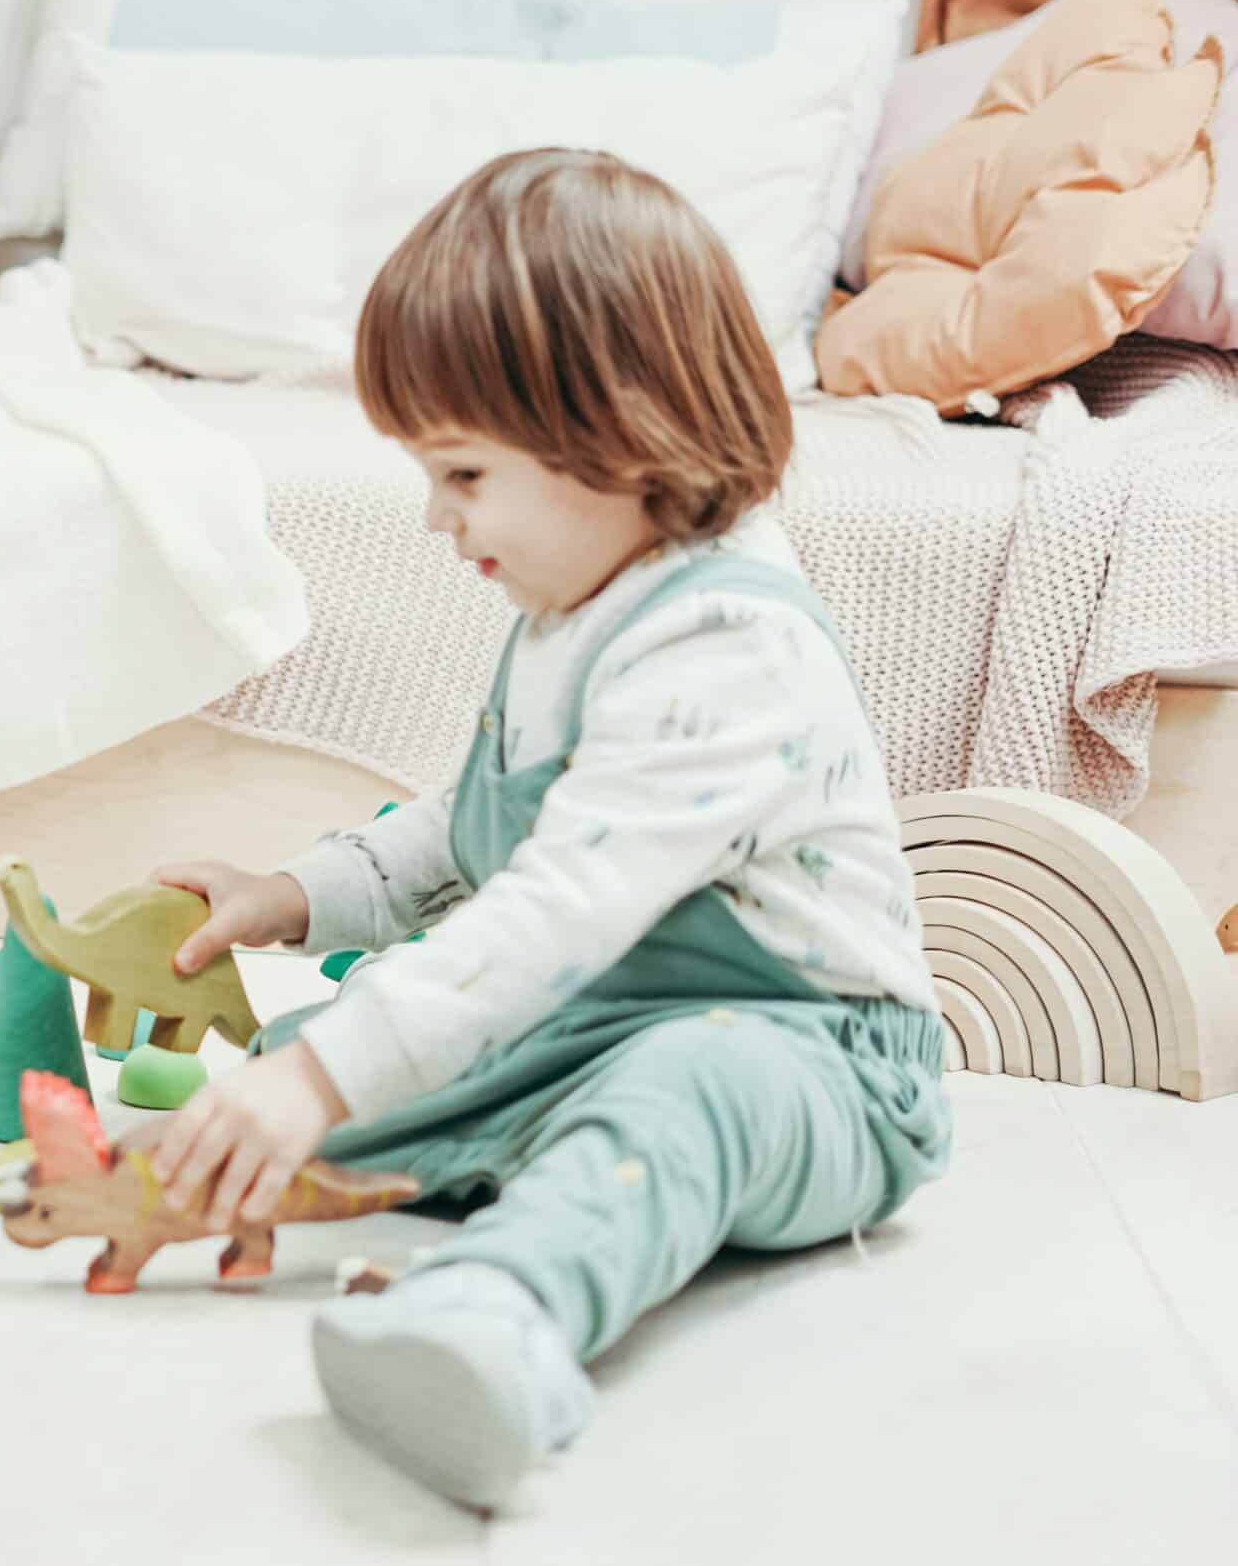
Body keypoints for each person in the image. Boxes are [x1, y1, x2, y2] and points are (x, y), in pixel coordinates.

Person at [146, 149, 951, 1510]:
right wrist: (296, 896)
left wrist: (328, 1079)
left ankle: (503, 1317)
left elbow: (557, 904)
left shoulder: (726, 645)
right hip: (626, 1008)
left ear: (625, 441)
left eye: (462, 470)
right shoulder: (572, 611)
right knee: (383, 1059)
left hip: (821, 1060)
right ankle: (241, 1149)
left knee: (666, 1093)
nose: (433, 514)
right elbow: (472, 830)